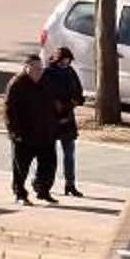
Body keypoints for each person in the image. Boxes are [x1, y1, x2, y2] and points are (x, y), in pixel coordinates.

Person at [2, 55, 56, 204]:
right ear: (27, 68)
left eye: (41, 68)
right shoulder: (17, 84)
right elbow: (9, 111)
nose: (39, 72)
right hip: (24, 134)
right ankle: (20, 194)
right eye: (36, 68)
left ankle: (42, 190)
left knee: (49, 165)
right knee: (21, 167)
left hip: (45, 132)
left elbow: (51, 104)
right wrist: (15, 132)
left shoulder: (46, 81)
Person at [41, 46, 86, 200]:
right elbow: (44, 94)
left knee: (69, 153)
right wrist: (55, 104)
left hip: (68, 117)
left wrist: (75, 101)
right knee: (48, 155)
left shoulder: (70, 72)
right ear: (57, 60)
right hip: (52, 119)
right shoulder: (48, 73)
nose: (65, 64)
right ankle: (42, 184)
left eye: (68, 62)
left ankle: (70, 183)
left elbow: (79, 92)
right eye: (63, 62)